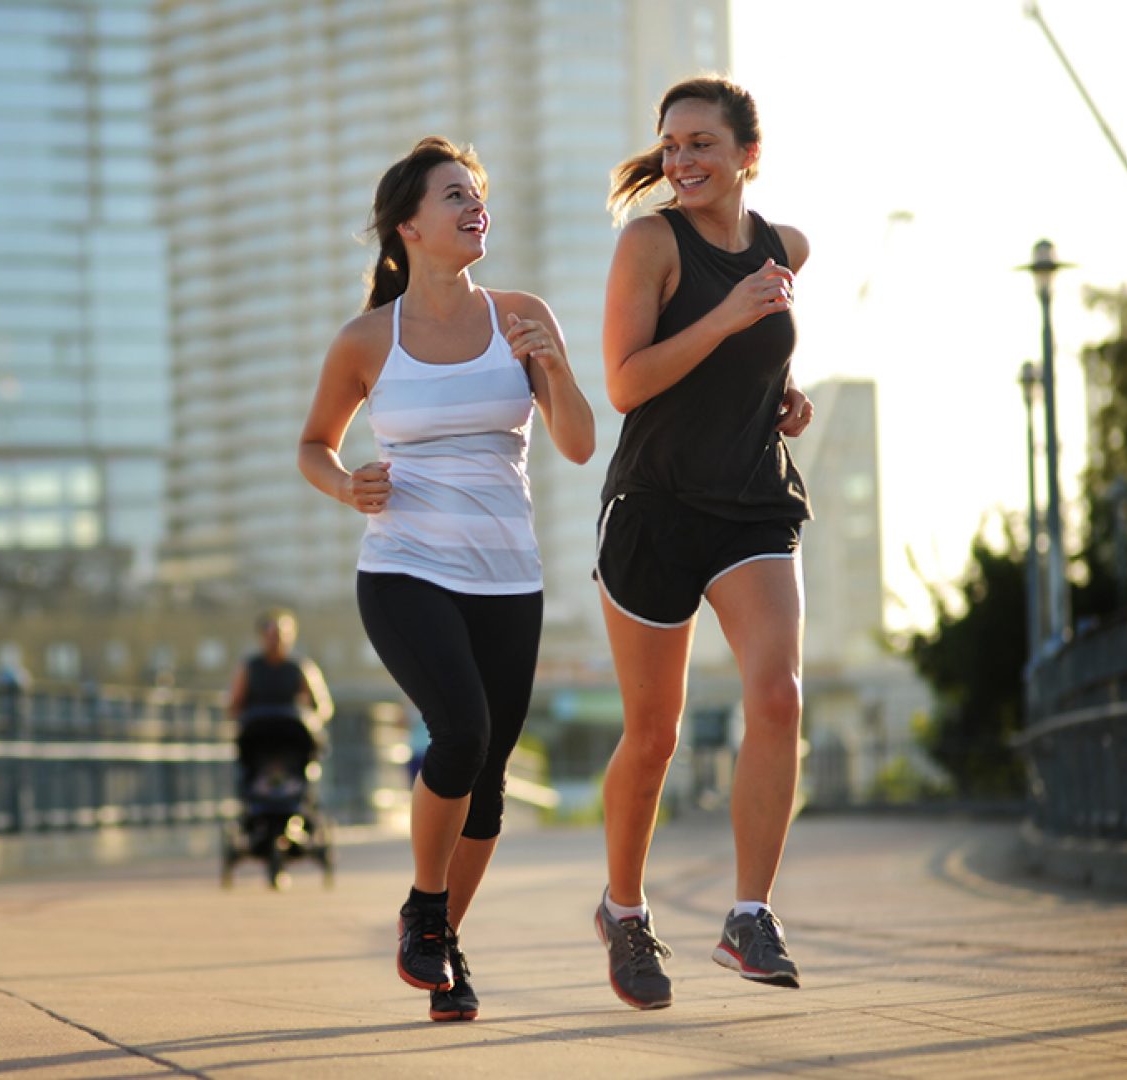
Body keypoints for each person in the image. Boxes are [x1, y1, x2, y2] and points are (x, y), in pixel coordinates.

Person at [298, 136, 596, 1023]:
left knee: (489, 780)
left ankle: (442, 950)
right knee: (459, 731)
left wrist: (555, 362)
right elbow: (313, 445)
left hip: (508, 578)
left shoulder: (520, 315)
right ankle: (426, 912)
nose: (474, 206)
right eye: (453, 195)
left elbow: (577, 444)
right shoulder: (366, 339)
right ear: (408, 227)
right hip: (404, 569)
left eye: (478, 193)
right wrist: (348, 482)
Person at [590, 75, 816, 1011]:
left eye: (701, 145)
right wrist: (726, 319)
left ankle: (749, 912)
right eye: (670, 145)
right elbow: (626, 383)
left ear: (746, 157)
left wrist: (785, 399)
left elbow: (767, 352)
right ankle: (624, 909)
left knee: (777, 693)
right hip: (655, 505)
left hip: (753, 503)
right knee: (654, 735)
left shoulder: (786, 246)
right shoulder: (649, 243)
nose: (680, 162)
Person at [226, 608, 333, 800]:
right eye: (270, 634)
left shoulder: (300, 667)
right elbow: (234, 705)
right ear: (261, 636)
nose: (275, 640)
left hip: (291, 734)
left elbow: (322, 706)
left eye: (280, 635)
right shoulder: (249, 667)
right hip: (259, 734)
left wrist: (312, 721)